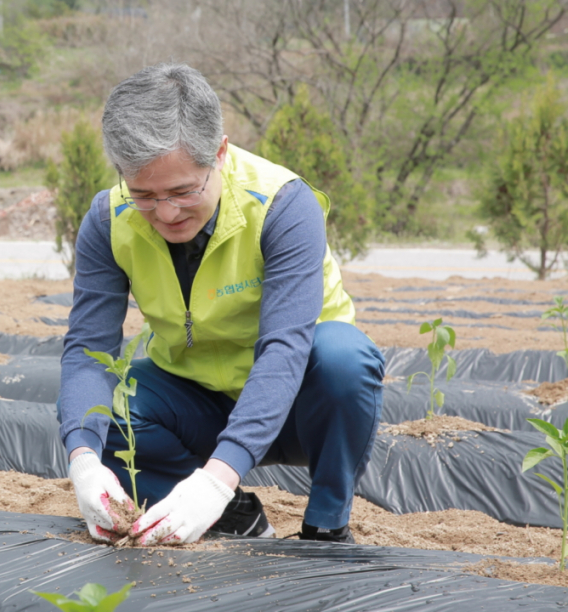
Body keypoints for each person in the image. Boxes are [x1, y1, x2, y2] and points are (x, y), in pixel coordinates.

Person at [61, 63, 383, 547]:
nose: (166, 213)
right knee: (104, 412)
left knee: (344, 357)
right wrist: (83, 461)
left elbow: (284, 350)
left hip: (301, 403)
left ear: (221, 153)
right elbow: (88, 348)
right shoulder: (109, 218)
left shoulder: (281, 205)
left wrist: (217, 476)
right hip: (197, 402)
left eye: (183, 191)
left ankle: (326, 524)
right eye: (144, 194)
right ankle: (233, 517)